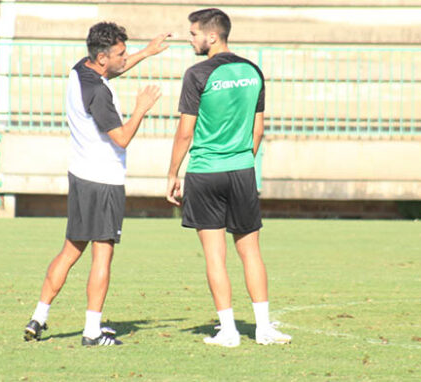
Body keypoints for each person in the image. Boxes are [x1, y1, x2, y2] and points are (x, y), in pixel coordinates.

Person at [23, 22, 169, 346]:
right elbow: (122, 138)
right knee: (102, 256)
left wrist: (147, 51)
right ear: (103, 57)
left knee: (70, 250)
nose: (124, 57)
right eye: (120, 53)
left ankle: (39, 316)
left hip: (80, 176)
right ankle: (91, 332)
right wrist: (142, 109)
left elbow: (114, 70)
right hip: (104, 182)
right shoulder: (100, 94)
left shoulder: (82, 69)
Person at [166, 8, 291, 347]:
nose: (190, 39)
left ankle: (229, 331)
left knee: (214, 255)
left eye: (193, 34)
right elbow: (258, 128)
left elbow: (184, 133)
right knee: (250, 251)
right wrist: (240, 160)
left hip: (205, 173)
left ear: (211, 36)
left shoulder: (196, 74)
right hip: (241, 171)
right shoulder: (253, 71)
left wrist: (172, 173)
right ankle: (264, 328)